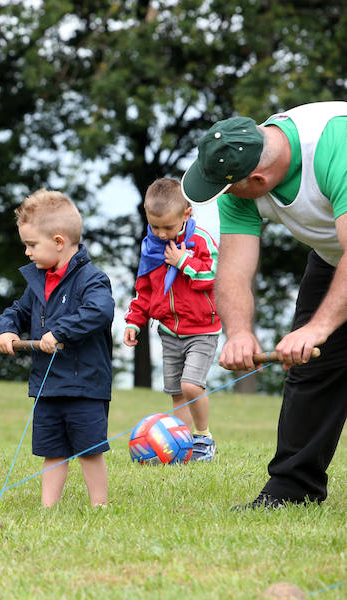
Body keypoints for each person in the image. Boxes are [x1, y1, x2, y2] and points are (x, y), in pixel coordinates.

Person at [181, 102, 347, 508]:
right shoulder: (239, 180)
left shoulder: (333, 146)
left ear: (257, 178)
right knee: (311, 373)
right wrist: (238, 332)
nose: (222, 197)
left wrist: (317, 328)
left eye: (227, 188)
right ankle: (292, 491)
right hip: (333, 258)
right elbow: (234, 271)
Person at [0, 190, 114, 507]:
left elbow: (99, 312)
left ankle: (99, 506)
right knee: (52, 451)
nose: (27, 252)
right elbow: (18, 312)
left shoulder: (92, 279)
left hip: (85, 385)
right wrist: (5, 330)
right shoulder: (37, 282)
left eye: (32, 245)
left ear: (59, 242)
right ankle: (48, 508)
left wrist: (60, 331)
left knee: (89, 451)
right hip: (47, 386)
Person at [123, 177, 220, 461]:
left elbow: (214, 276)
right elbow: (144, 289)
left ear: (187, 213)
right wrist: (133, 321)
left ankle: (204, 437)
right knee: (177, 393)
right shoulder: (151, 247)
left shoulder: (199, 240)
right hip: (169, 330)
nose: (162, 234)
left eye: (168, 226)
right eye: (155, 226)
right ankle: (184, 446)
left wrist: (183, 262)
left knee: (191, 385)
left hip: (202, 329)